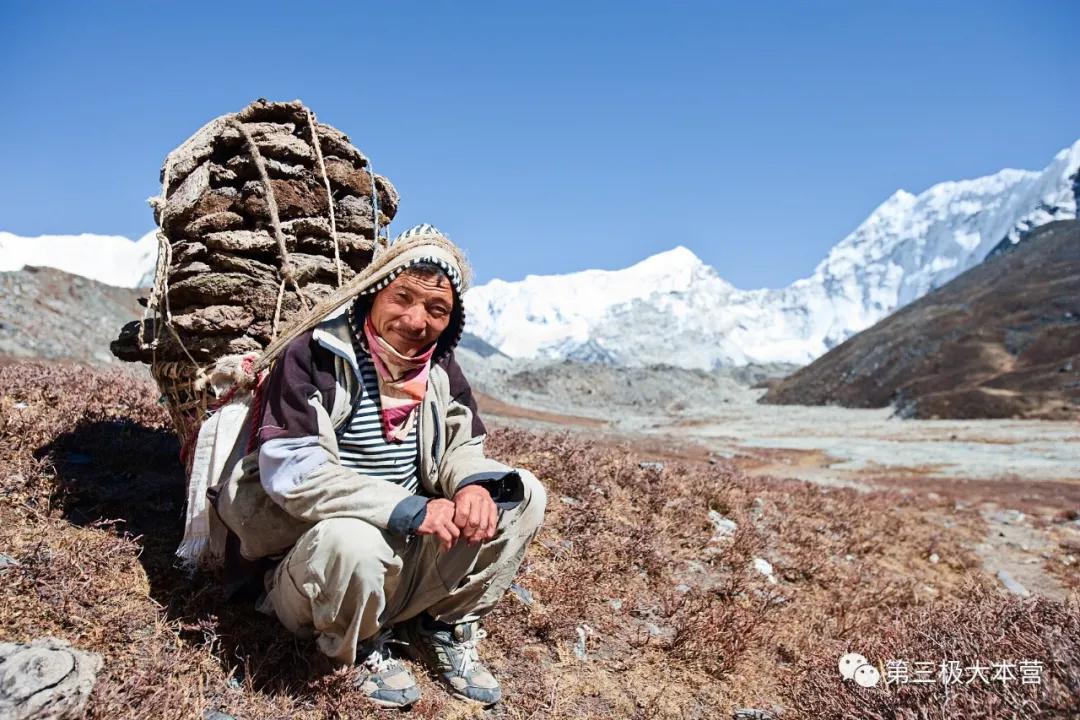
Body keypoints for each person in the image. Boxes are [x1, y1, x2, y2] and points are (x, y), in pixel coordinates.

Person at [214, 224, 546, 708]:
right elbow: (295, 472)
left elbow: (461, 444)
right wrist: (411, 508)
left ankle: (442, 625)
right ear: (373, 294)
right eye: (402, 297)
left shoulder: (438, 369)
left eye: (437, 309)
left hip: (404, 553)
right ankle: (355, 643)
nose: (416, 321)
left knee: (522, 493)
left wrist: (472, 486)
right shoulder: (315, 356)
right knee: (352, 540)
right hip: (315, 563)